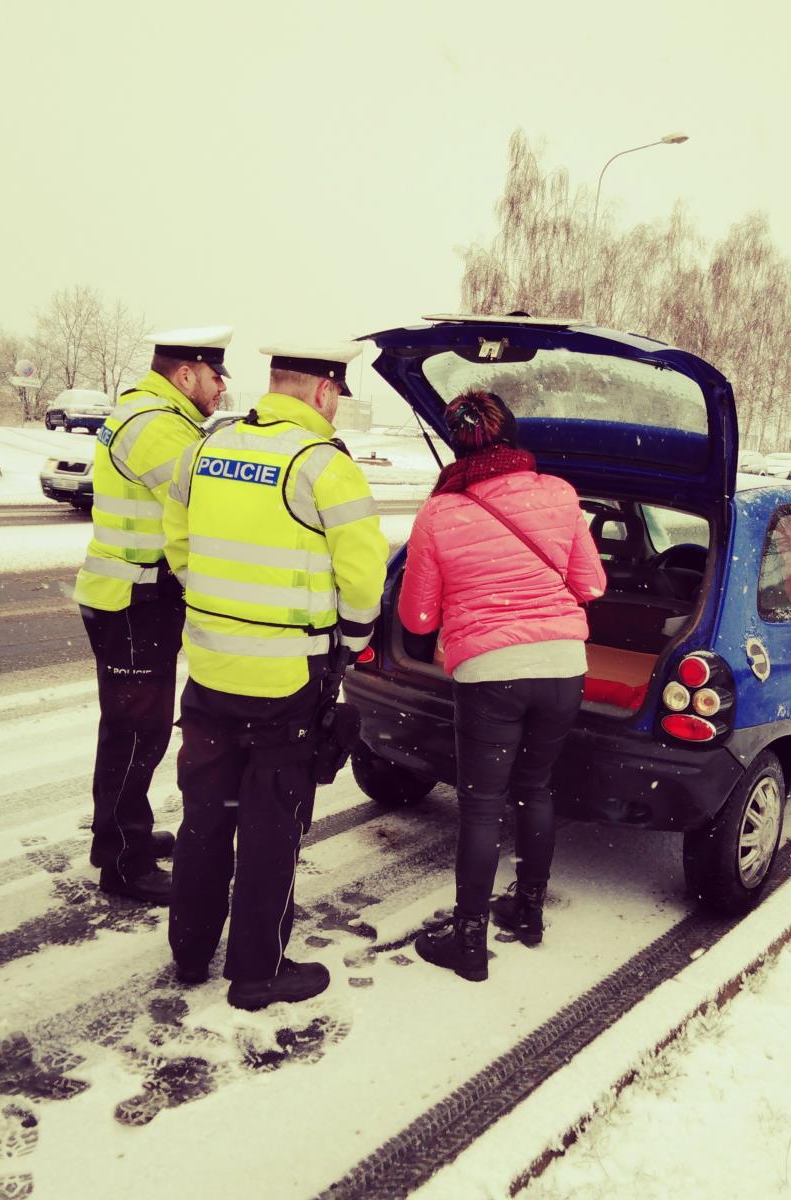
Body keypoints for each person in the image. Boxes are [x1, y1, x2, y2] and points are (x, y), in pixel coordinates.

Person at [164, 342, 386, 1010]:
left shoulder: (206, 449)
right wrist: (353, 639)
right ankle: (258, 973)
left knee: (205, 814)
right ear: (324, 392)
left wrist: (215, 603)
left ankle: (191, 950)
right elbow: (364, 575)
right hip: (288, 681)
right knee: (272, 826)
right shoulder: (324, 467)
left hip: (208, 669)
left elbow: (178, 540)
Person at [400, 390, 606, 981]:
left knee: (481, 804)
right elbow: (590, 585)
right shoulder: (560, 495)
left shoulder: (440, 512)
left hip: (490, 673)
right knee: (536, 789)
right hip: (564, 666)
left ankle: (468, 942)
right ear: (511, 435)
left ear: (457, 443)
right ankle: (529, 911)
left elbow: (416, 619)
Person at [72, 325, 233, 904]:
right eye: (216, 378)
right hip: (134, 603)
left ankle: (117, 834)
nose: (221, 390)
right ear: (186, 374)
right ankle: (123, 862)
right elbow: (208, 497)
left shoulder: (152, 415)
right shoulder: (156, 426)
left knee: (129, 731)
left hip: (131, 597)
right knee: (135, 736)